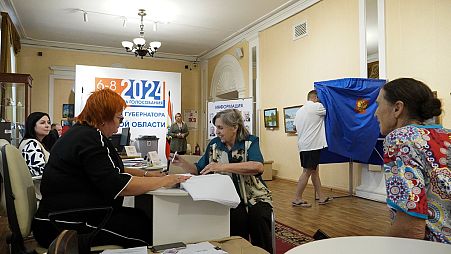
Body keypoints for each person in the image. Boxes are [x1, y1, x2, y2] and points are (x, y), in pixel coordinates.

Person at [33, 89, 190, 251]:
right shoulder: (89, 138)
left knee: (140, 217)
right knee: (146, 231)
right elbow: (118, 184)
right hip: (64, 225)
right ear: (103, 117)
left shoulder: (83, 134)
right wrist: (164, 180)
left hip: (62, 217)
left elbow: (114, 169)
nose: (120, 123)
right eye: (119, 118)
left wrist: (149, 175)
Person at [172, 109, 273, 253]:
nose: (217, 132)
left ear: (234, 127)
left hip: (255, 196)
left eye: (220, 127)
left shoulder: (250, 142)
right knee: (236, 221)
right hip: (227, 197)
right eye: (216, 128)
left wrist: (222, 166)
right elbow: (200, 169)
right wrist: (183, 163)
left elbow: (257, 166)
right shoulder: (214, 145)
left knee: (259, 218)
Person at [374, 78, 450, 243]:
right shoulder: (447, 136)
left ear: (397, 108)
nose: (375, 113)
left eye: (378, 105)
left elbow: (411, 228)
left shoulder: (400, 139)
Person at [292, 90, 331, 208]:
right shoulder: (317, 106)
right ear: (315, 98)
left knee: (314, 171)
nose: (320, 101)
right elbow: (330, 111)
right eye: (319, 98)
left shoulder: (299, 111)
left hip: (304, 145)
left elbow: (294, 127)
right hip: (312, 145)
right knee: (307, 172)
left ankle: (321, 197)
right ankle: (297, 198)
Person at [19, 112, 51, 177]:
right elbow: (38, 171)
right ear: (32, 125)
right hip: (37, 186)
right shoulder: (31, 145)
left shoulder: (35, 143)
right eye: (42, 123)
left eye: (48, 122)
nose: (47, 125)